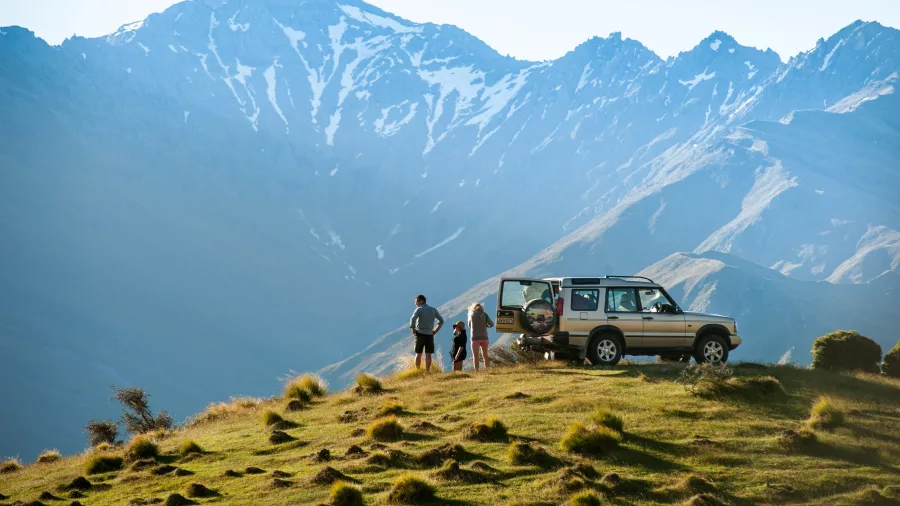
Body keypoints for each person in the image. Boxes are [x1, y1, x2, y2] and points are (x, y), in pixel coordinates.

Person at [409, 294, 444, 371]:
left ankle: (417, 370)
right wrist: (435, 330)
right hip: (430, 335)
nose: (416, 304)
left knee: (418, 354)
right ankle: (427, 371)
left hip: (420, 334)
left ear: (422, 301)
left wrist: (413, 328)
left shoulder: (419, 310)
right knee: (428, 355)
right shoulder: (433, 310)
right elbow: (441, 321)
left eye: (417, 302)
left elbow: (412, 319)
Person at [467, 302, 494, 372]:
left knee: (475, 357)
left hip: (475, 338)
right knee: (485, 355)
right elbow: (491, 324)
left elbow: (469, 325)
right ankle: (488, 370)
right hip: (484, 337)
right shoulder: (485, 315)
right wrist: (485, 325)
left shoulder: (471, 315)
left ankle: (477, 371)